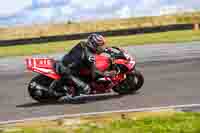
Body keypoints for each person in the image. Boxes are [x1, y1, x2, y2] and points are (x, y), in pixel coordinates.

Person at [51, 34, 116, 102]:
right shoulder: (89, 56)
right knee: (85, 88)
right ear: (93, 45)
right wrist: (106, 74)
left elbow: (98, 51)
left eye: (103, 45)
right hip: (66, 71)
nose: (102, 47)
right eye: (100, 45)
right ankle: (70, 99)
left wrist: (110, 51)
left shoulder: (83, 44)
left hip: (69, 65)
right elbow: (94, 73)